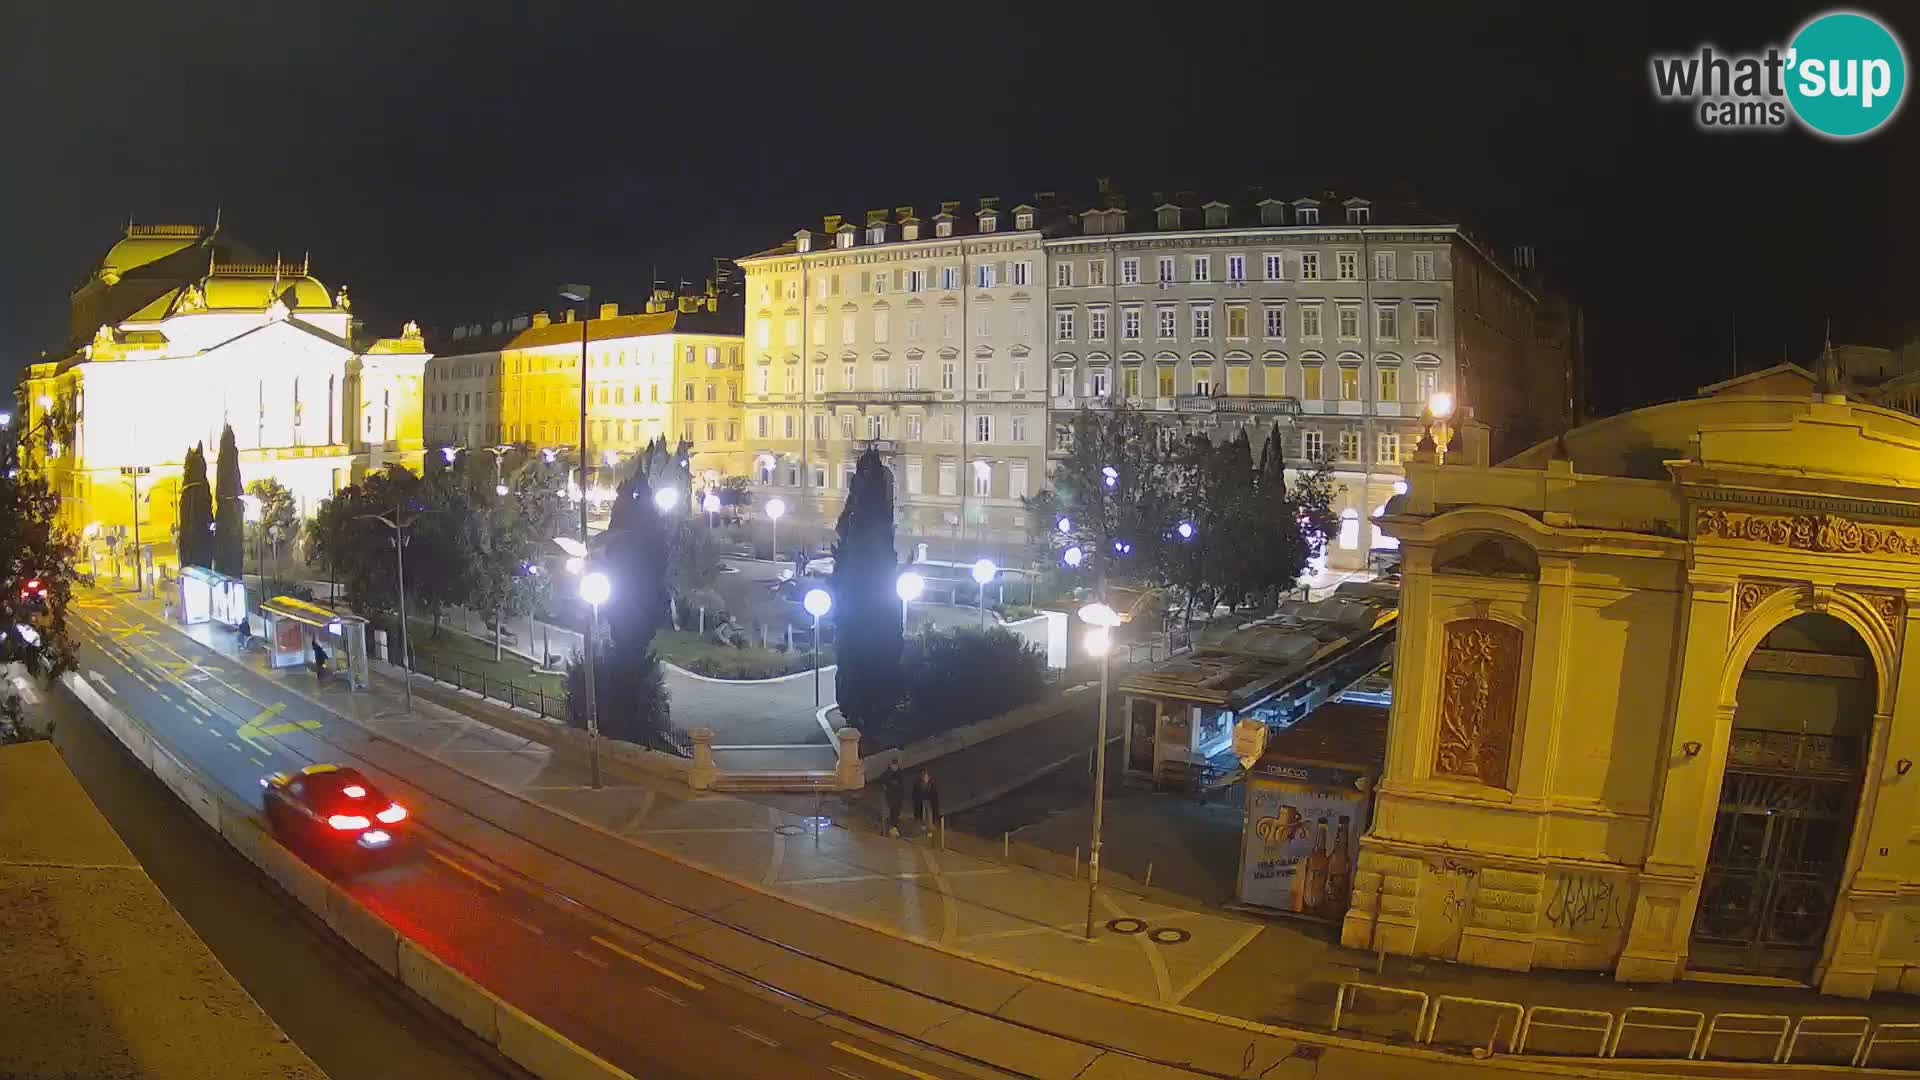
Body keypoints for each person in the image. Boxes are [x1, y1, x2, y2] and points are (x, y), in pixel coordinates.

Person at [879, 761, 905, 837]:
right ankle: (887, 831)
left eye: (896, 766)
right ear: (891, 765)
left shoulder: (900, 773)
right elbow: (882, 780)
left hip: (897, 797)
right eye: (894, 766)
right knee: (888, 814)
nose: (895, 767)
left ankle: (893, 829)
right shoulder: (887, 773)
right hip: (890, 797)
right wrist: (887, 787)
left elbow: (902, 785)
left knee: (895, 813)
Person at [912, 767, 941, 831]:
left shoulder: (931, 783)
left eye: (927, 777)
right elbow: (916, 793)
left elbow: (934, 793)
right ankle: (923, 825)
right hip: (922, 801)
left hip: (929, 801)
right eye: (924, 777)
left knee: (930, 812)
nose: (926, 778)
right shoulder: (919, 784)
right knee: (923, 813)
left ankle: (930, 824)